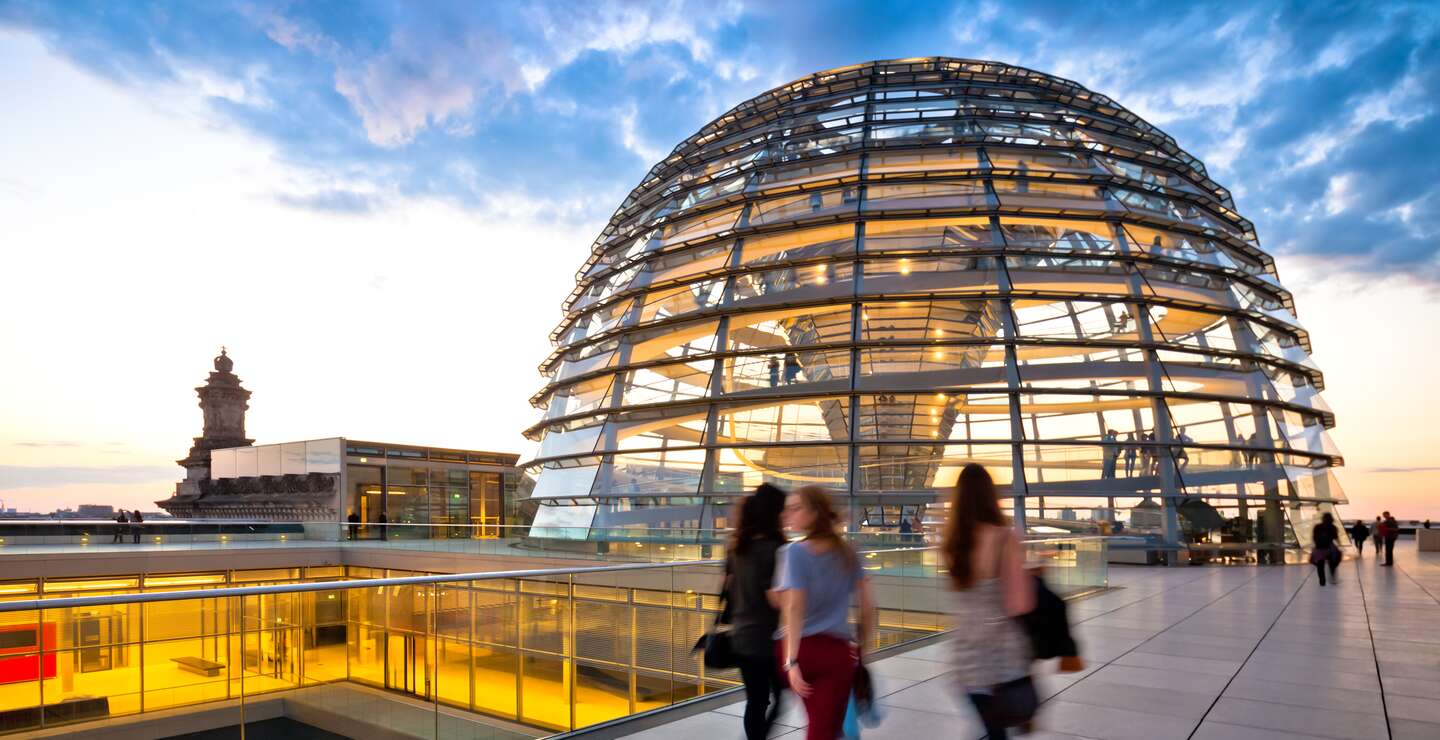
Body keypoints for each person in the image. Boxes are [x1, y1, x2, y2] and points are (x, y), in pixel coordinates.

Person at [942, 464, 1036, 739]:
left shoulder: (951, 543)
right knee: (997, 731)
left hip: (965, 657)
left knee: (988, 728)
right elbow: (1020, 603)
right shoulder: (1004, 538)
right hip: (1000, 657)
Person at [775, 486, 875, 740]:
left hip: (802, 651)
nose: (789, 514)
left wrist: (791, 661)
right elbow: (868, 606)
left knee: (823, 727)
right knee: (825, 728)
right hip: (836, 655)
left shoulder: (794, 552)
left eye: (796, 508)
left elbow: (793, 607)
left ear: (815, 513)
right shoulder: (849, 551)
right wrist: (863, 648)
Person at [726, 485, 787, 740]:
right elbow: (775, 598)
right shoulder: (775, 549)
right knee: (779, 697)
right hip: (766, 639)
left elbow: (728, 588)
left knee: (756, 700)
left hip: (741, 635)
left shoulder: (737, 547)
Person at [1311, 513, 1341, 586]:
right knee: (1333, 561)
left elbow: (1314, 538)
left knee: (1320, 565)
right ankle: (1332, 574)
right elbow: (1335, 537)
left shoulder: (1317, 526)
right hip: (1329, 548)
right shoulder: (1333, 527)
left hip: (1319, 548)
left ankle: (1322, 581)